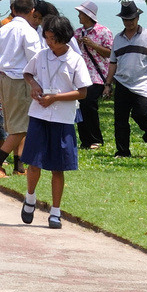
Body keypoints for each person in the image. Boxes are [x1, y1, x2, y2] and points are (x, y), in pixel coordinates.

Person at [22, 14, 88, 229]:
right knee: (34, 162)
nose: (50, 43)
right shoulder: (41, 56)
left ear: (65, 38)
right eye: (47, 38)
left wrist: (55, 98)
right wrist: (34, 86)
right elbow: (28, 74)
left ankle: (55, 212)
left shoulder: (76, 60)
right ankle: (30, 197)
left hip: (62, 118)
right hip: (39, 115)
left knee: (58, 167)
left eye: (54, 39)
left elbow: (83, 92)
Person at [104, 0, 147, 157]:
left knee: (142, 114)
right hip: (121, 83)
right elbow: (113, 63)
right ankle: (123, 151)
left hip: (141, 84)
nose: (129, 22)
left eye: (131, 19)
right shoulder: (118, 38)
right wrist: (108, 84)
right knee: (120, 120)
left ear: (137, 18)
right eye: (126, 20)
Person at [0, 0, 42, 175]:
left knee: (15, 124)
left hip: (4, 77)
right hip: (21, 80)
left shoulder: (4, 29)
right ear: (32, 11)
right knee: (22, 126)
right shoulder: (29, 31)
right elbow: (35, 59)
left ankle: (18, 165)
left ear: (13, 9)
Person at [73, 1, 113, 150]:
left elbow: (110, 53)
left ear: (88, 15)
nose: (79, 16)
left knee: (89, 104)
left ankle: (95, 139)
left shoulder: (104, 32)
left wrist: (93, 45)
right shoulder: (77, 33)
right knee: (80, 106)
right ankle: (85, 140)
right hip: (80, 76)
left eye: (81, 13)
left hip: (97, 75)